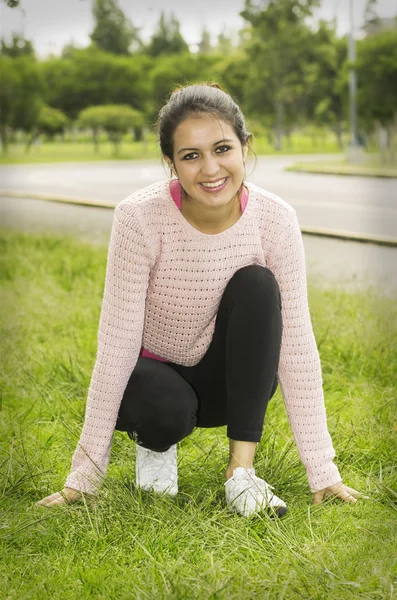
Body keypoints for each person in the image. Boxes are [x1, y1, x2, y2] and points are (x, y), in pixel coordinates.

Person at [36, 83, 363, 517]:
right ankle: (155, 445)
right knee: (166, 407)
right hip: (154, 383)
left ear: (245, 148)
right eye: (191, 155)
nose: (210, 169)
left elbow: (297, 344)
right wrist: (84, 477)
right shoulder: (138, 217)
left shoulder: (276, 219)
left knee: (259, 284)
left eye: (223, 148)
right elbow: (117, 345)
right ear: (170, 163)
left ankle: (241, 475)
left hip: (229, 384)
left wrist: (323, 470)